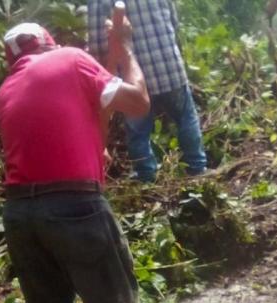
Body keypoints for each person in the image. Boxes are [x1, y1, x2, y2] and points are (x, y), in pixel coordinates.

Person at [0, 21, 153, 303]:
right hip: (75, 210)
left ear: (11, 59)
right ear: (49, 43)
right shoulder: (71, 60)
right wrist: (126, 48)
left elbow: (59, 138)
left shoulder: (3, 93)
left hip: (21, 217)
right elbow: (138, 102)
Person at [87, 0, 208, 183]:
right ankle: (197, 168)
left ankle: (146, 178)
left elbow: (97, 39)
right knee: (185, 117)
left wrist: (104, 74)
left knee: (137, 131)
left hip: (133, 75)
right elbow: (174, 22)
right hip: (167, 64)